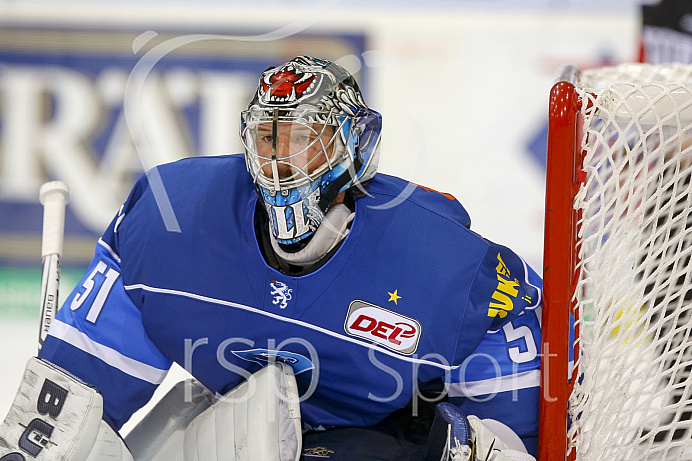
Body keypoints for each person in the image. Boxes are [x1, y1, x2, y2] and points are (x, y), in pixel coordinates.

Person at [0, 56, 542, 461]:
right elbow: (80, 386)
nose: (282, 162)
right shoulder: (176, 220)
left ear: (354, 144)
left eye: (305, 139)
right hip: (235, 423)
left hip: (390, 433)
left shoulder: (435, 256)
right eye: (268, 138)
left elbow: (510, 327)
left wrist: (500, 437)